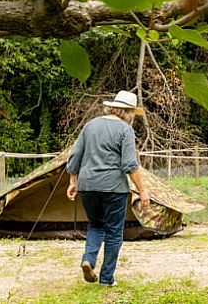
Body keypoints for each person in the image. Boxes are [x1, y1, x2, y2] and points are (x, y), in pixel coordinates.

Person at [66, 90, 150, 286]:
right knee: (113, 232)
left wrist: (72, 181)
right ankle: (106, 279)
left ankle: (88, 259)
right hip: (113, 188)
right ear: (128, 112)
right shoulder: (125, 130)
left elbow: (75, 156)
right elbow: (129, 164)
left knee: (96, 224)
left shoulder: (90, 126)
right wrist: (142, 190)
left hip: (87, 185)